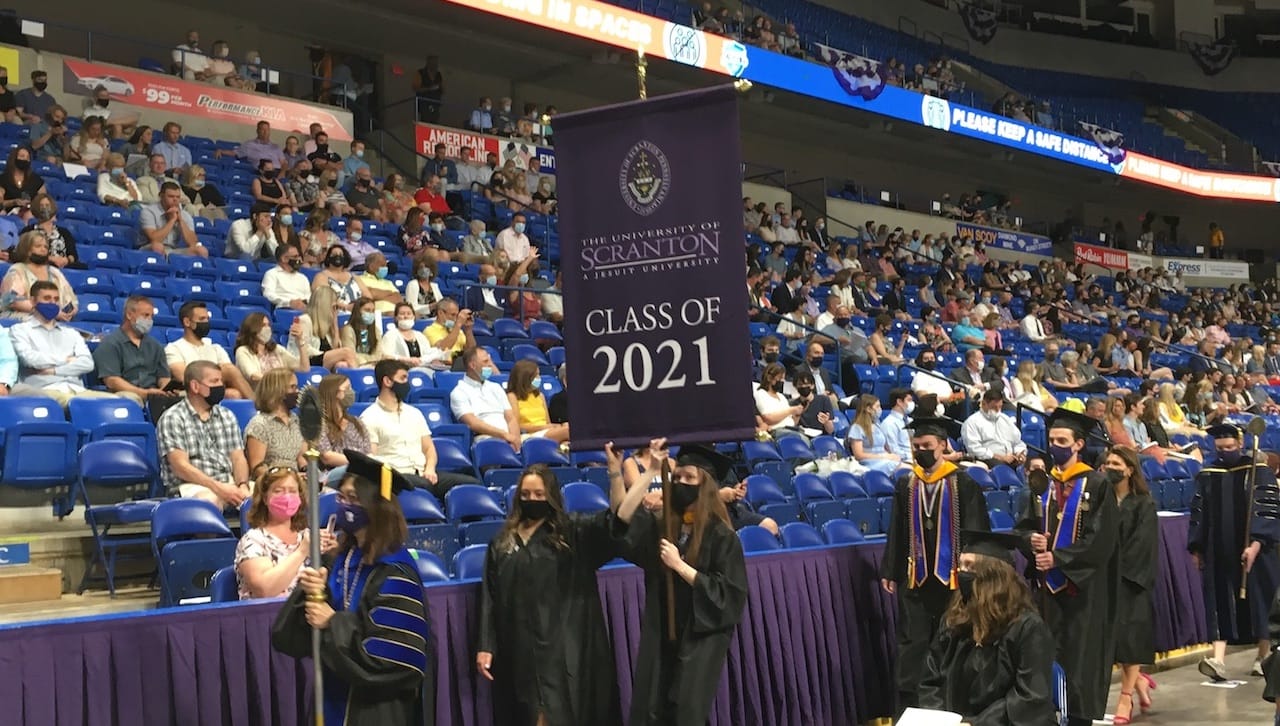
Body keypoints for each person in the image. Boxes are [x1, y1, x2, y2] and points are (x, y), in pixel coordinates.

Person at [271, 450, 429, 726]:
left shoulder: (396, 573)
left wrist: (332, 621)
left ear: (375, 507)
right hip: (333, 698)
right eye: (341, 497)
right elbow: (290, 639)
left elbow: (390, 661)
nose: (343, 505)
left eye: (353, 499)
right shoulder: (340, 560)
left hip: (377, 711)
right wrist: (311, 592)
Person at [609, 441, 748, 726]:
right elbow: (622, 522)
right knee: (652, 709)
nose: (682, 483)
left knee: (685, 711)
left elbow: (729, 595)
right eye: (678, 477)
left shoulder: (721, 535)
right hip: (663, 631)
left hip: (700, 636)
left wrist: (680, 566)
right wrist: (617, 472)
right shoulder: (665, 526)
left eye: (689, 478)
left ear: (705, 485)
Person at [476, 464, 622, 725]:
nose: (532, 500)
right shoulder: (502, 543)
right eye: (526, 494)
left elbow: (615, 523)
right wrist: (486, 645)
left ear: (552, 496)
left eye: (539, 495)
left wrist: (615, 473)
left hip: (562, 648)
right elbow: (490, 596)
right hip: (518, 649)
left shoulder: (571, 534)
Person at [1014, 408, 1119, 726]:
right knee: (1044, 658)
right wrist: (1030, 540)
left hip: (1081, 593)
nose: (1055, 445)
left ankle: (1078, 719)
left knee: (1079, 663)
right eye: (1051, 440)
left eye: (1062, 440)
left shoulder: (1098, 485)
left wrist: (1059, 559)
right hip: (1045, 593)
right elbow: (1022, 528)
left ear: (1078, 444)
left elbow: (1102, 539)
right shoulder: (1041, 483)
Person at [881, 415, 991, 711]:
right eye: (916, 446)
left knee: (956, 638)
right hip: (916, 578)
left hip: (954, 580)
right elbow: (897, 529)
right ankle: (910, 708)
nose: (921, 451)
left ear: (943, 445)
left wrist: (974, 572)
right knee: (912, 643)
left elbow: (977, 529)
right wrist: (890, 570)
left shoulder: (963, 482)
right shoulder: (907, 483)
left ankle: (956, 704)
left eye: (927, 445)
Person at [918, 529, 1057, 724]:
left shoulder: (1027, 628)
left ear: (992, 575)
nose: (961, 573)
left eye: (970, 566)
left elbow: (1030, 698)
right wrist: (939, 719)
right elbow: (930, 681)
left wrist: (975, 724)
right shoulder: (954, 621)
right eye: (961, 565)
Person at [1190, 423, 1280, 681]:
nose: (1225, 452)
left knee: (1260, 599)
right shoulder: (1208, 473)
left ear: (1240, 444)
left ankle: (1263, 656)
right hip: (1219, 549)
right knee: (1220, 602)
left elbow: (1267, 509)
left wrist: (1256, 543)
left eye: (1229, 447)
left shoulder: (1259, 472)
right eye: (1220, 448)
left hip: (1258, 552)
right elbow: (1199, 512)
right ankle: (1217, 660)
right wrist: (1197, 547)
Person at [361, 359, 479, 497]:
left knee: (472, 485)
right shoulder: (370, 417)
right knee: (423, 486)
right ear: (387, 381)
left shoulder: (414, 413)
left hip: (424, 473)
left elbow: (429, 448)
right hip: (397, 477)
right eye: (403, 378)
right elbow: (372, 459)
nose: (407, 383)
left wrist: (430, 469)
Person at [1101, 446, 1158, 724]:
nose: (1110, 467)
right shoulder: (1101, 500)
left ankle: (1125, 697)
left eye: (1116, 463)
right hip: (1102, 579)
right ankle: (1140, 682)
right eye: (1108, 462)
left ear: (1130, 469)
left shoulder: (1143, 503)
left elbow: (1141, 547)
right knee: (1111, 641)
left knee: (1129, 640)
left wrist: (1116, 571)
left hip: (1131, 581)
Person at [156, 360, 251, 509]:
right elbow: (180, 467)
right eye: (214, 381)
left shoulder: (227, 415)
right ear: (195, 386)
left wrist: (243, 485)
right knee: (209, 502)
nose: (221, 386)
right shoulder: (173, 418)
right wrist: (218, 487)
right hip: (191, 487)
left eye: (221, 380)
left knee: (272, 495)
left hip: (229, 482)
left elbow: (238, 458)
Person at [236, 466, 337, 600]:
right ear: (265, 498)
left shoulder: (307, 536)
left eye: (292, 491)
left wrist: (334, 552)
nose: (287, 497)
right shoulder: (252, 540)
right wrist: (302, 551)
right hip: (267, 617)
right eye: (278, 491)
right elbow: (265, 590)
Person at [165, 301, 254, 399]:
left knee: (234, 394)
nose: (206, 323)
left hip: (215, 389)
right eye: (202, 319)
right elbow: (184, 377)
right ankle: (258, 407)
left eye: (207, 319)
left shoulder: (216, 348)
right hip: (193, 391)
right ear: (187, 322)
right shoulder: (174, 348)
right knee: (229, 370)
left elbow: (228, 379)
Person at [245, 368, 305, 478]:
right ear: (277, 391)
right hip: (271, 483)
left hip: (296, 481)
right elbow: (257, 468)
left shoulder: (296, 420)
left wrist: (308, 472)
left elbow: (301, 457)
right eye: (293, 387)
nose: (297, 391)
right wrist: (287, 477)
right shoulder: (259, 424)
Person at [311, 374, 372, 477]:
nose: (351, 392)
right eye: (347, 388)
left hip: (361, 472)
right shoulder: (319, 423)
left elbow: (368, 451)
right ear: (334, 392)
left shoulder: (357, 422)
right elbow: (327, 457)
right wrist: (360, 463)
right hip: (335, 474)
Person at [293, 285, 360, 371]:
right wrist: (325, 354)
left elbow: (336, 348)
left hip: (322, 361)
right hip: (306, 360)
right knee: (347, 352)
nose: (335, 310)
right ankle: (357, 377)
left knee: (342, 365)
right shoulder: (304, 320)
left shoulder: (326, 323)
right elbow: (304, 347)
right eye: (334, 307)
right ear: (325, 305)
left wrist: (335, 325)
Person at [506, 359, 570, 444]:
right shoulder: (512, 397)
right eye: (536, 376)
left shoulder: (540, 396)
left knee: (567, 427)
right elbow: (516, 426)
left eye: (539, 375)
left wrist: (553, 426)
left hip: (546, 432)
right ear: (525, 378)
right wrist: (543, 428)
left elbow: (548, 422)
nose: (539, 378)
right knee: (567, 430)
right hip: (528, 435)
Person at [960, 389, 1028, 470]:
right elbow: (974, 450)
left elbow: (1018, 442)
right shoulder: (971, 422)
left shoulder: (1005, 419)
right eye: (994, 407)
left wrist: (1019, 453)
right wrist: (1000, 457)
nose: (997, 411)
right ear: (983, 404)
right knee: (1002, 468)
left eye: (1000, 407)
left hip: (1011, 459)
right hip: (989, 460)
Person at [234, 311, 308, 384]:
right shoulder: (243, 351)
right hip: (261, 393)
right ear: (253, 328)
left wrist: (300, 341)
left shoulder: (277, 349)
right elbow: (254, 376)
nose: (267, 328)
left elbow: (304, 368)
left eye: (268, 325)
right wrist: (280, 382)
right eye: (263, 325)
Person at [848, 393, 905, 474]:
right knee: (905, 469)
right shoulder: (857, 427)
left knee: (908, 467)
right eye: (877, 406)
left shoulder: (877, 425)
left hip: (884, 460)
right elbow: (859, 455)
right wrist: (883, 457)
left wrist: (891, 456)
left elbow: (884, 447)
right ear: (868, 409)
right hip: (869, 463)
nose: (880, 409)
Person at [379, 302, 443, 370]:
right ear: (396, 318)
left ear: (413, 317)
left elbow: (428, 353)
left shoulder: (420, 335)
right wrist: (407, 360)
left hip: (421, 370)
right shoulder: (390, 335)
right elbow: (385, 356)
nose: (406, 316)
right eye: (402, 314)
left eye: (409, 314)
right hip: (398, 370)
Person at [340, 297, 383, 366]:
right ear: (358, 311)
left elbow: (378, 354)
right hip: (356, 364)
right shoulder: (348, 330)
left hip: (374, 364)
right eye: (367, 310)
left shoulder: (375, 330)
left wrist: (371, 360)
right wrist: (370, 360)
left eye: (372, 311)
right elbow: (351, 355)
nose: (371, 314)